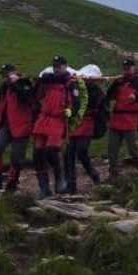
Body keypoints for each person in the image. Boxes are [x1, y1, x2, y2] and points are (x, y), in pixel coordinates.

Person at [32, 55, 81, 197]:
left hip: (57, 120)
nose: (56, 69)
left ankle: (60, 179)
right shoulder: (49, 80)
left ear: (65, 66)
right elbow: (36, 95)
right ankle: (44, 188)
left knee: (51, 150)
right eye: (54, 66)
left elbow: (76, 104)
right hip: (43, 119)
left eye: (59, 66)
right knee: (37, 155)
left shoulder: (71, 82)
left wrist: (70, 113)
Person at [0, 63, 35, 193]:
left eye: (7, 74)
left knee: (17, 157)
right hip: (6, 125)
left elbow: (27, 100)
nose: (6, 77)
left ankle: (11, 184)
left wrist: (16, 84)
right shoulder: (4, 87)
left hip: (22, 126)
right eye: (4, 75)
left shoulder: (25, 83)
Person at [65, 64, 108, 192]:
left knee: (81, 150)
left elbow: (90, 104)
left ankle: (94, 175)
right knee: (69, 153)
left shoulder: (97, 92)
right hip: (75, 123)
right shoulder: (75, 87)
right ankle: (71, 184)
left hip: (88, 122)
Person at [106, 57, 138, 178]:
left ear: (134, 68)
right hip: (116, 119)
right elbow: (109, 95)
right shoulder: (120, 81)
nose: (126, 71)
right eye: (124, 69)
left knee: (133, 148)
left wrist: (136, 96)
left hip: (130, 119)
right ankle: (113, 175)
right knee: (112, 149)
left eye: (128, 68)